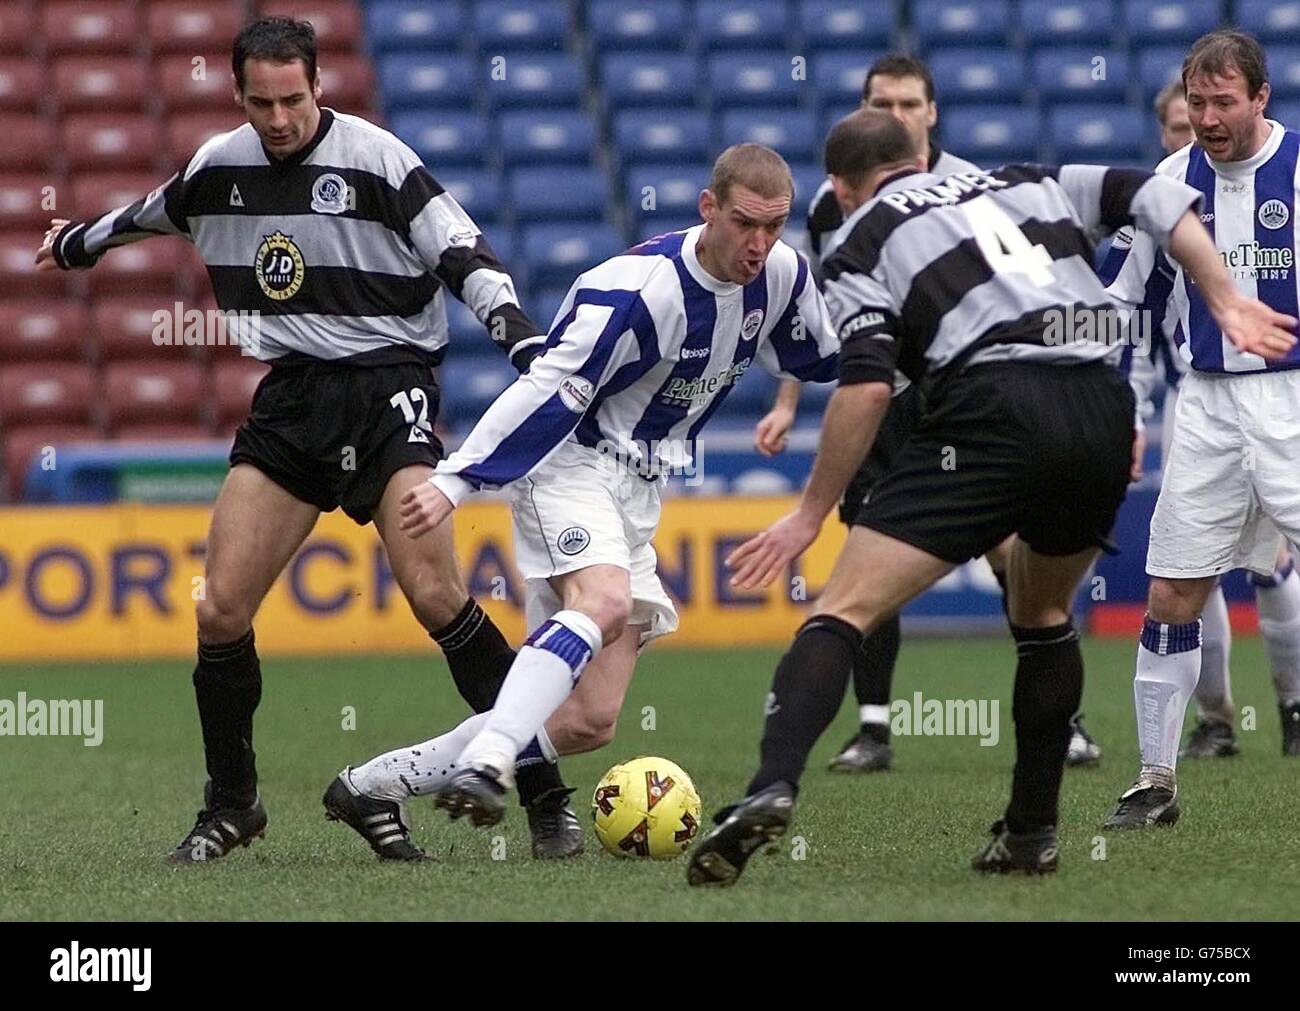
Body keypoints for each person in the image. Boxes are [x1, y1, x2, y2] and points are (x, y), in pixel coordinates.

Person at [685, 108, 1293, 886]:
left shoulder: (858, 242)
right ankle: (1032, 832)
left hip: (995, 404)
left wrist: (809, 512)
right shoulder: (1027, 179)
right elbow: (1158, 197)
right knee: (1042, 617)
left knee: (844, 608)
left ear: (840, 187)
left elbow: (867, 389)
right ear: (921, 155)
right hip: (1100, 408)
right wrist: (1225, 296)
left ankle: (771, 784)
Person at [35, 17, 582, 863]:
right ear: (239, 95)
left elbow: (464, 250)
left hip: (389, 385)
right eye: (263, 102)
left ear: (319, 87)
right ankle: (233, 803)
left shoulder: (377, 158)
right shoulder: (222, 166)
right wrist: (74, 244)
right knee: (218, 608)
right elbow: (151, 213)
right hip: (293, 398)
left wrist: (516, 336)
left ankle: (545, 796)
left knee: (436, 594)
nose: (281, 118)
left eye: (294, 99)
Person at [326, 144, 840, 847]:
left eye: (774, 226)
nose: (758, 244)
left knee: (589, 719)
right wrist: (458, 477)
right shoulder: (634, 290)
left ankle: (373, 784)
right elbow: (547, 387)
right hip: (570, 466)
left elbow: (832, 354)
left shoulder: (780, 274)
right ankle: (491, 757)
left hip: (638, 489)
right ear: (709, 208)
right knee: (600, 601)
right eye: (746, 223)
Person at [759, 52, 1100, 773]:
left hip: (967, 397)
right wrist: (791, 396)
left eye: (909, 104)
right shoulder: (831, 208)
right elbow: (830, 316)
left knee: (1012, 547)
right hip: (886, 395)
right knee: (865, 547)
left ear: (932, 113)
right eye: (881, 102)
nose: (896, 115)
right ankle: (874, 727)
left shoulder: (972, 186)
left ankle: (1062, 722)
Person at [1101, 31, 1300, 831]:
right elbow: (1122, 306)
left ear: (1261, 98)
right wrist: (1117, 406)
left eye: (1225, 101)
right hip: (1208, 404)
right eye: (1198, 102)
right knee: (1173, 590)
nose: (1209, 117)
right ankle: (1155, 780)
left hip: (1293, 396)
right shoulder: (1168, 183)